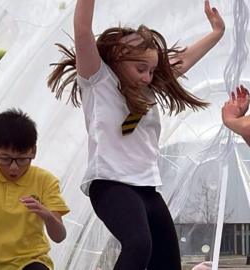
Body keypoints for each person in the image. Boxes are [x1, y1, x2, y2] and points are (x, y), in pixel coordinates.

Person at [47, 0, 225, 269]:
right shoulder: (98, 81)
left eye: (152, 71)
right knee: (139, 243)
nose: (147, 77)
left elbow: (182, 60)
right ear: (118, 58)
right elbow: (82, 31)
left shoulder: (149, 91)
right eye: (141, 69)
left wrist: (216, 33)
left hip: (146, 189)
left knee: (166, 260)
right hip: (110, 184)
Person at [0, 108, 69, 270]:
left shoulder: (45, 181)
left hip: (31, 262)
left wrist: (47, 215)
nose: (14, 168)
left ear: (34, 152)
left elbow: (59, 236)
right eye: (5, 159)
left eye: (22, 159)